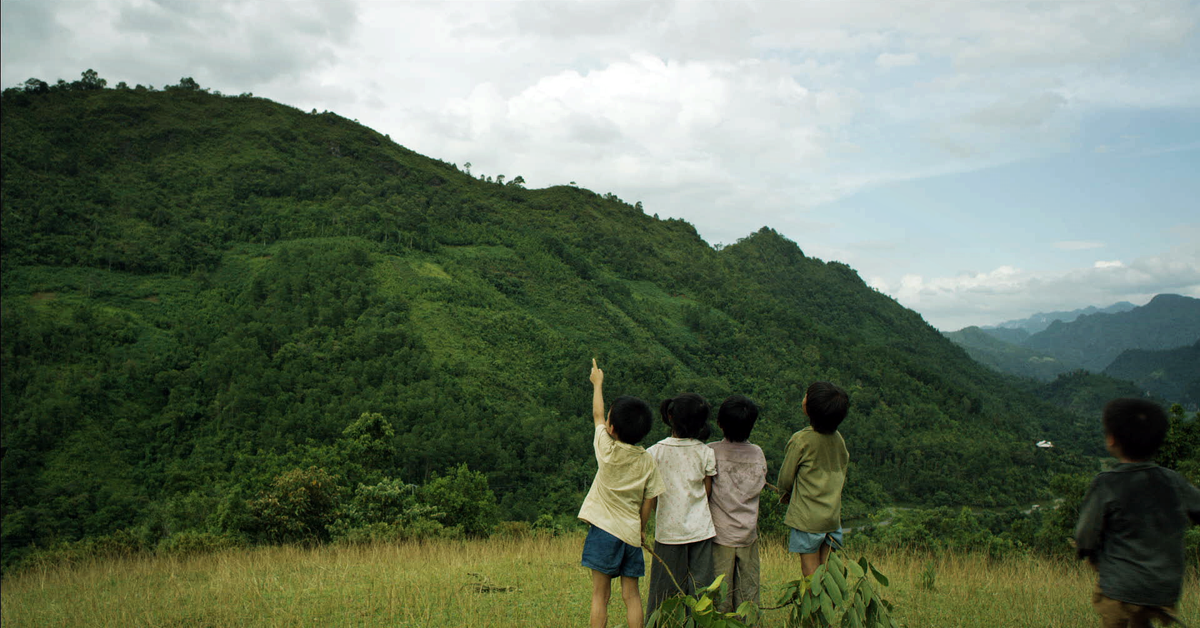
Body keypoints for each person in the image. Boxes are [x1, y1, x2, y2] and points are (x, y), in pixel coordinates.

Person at [1075, 398, 1200, 628]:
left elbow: (1085, 534)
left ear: (1112, 439)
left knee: (1117, 613)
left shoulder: (1107, 483)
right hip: (1164, 588)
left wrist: (1087, 552)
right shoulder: (1173, 480)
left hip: (1119, 587)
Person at [578, 359, 664, 628]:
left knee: (600, 596)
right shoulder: (647, 460)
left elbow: (596, 416)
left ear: (611, 428)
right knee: (632, 596)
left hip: (603, 531)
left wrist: (597, 383)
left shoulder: (607, 450)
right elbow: (651, 497)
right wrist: (641, 528)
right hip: (630, 534)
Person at [645, 392, 718, 621]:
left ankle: (661, 624)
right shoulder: (705, 452)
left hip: (668, 532)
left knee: (663, 591)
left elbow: (652, 495)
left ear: (670, 417)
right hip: (701, 530)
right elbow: (707, 490)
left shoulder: (654, 452)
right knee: (700, 589)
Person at [777, 381, 850, 576]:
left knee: (810, 568)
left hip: (808, 518)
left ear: (809, 409)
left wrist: (785, 494)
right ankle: (827, 605)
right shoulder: (838, 440)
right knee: (827, 570)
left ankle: (813, 605)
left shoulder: (801, 440)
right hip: (832, 518)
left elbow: (785, 479)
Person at [708, 395, 767, 613]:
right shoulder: (757, 454)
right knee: (748, 597)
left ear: (720, 423)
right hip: (748, 535)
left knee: (719, 597)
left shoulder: (711, 452)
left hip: (719, 536)